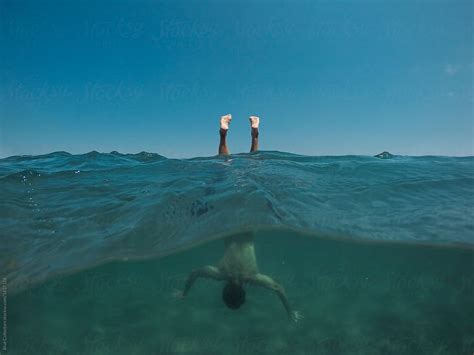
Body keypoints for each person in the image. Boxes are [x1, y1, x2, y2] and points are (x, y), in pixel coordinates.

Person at [172, 115, 303, 322]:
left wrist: (290, 311)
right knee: (224, 173)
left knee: (252, 174)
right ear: (224, 290)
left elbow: (279, 288)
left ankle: (254, 133)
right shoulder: (218, 273)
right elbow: (195, 273)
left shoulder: (253, 278)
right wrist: (184, 292)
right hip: (227, 217)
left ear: (244, 293)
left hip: (249, 217)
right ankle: (224, 135)